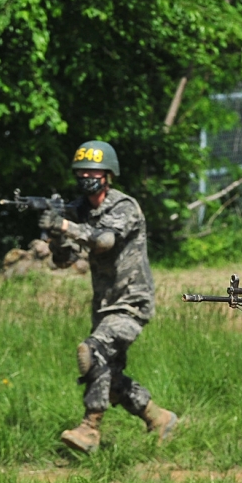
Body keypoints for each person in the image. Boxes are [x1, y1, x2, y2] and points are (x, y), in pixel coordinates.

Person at [41, 140, 178, 453]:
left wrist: (65, 224)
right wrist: (56, 237)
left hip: (131, 303)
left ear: (108, 174)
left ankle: (89, 430)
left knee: (92, 352)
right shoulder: (79, 210)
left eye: (94, 170)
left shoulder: (123, 207)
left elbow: (104, 240)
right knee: (107, 375)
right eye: (82, 171)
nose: (87, 175)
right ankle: (159, 419)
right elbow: (64, 261)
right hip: (104, 307)